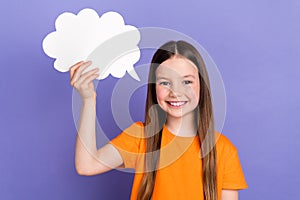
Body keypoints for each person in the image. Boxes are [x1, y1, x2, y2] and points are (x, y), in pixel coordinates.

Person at [69, 40, 248, 200]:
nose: (175, 92)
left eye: (186, 82)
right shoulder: (141, 137)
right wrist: (88, 100)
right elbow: (86, 165)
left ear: (202, 84)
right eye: (165, 82)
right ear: (154, 88)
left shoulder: (224, 150)